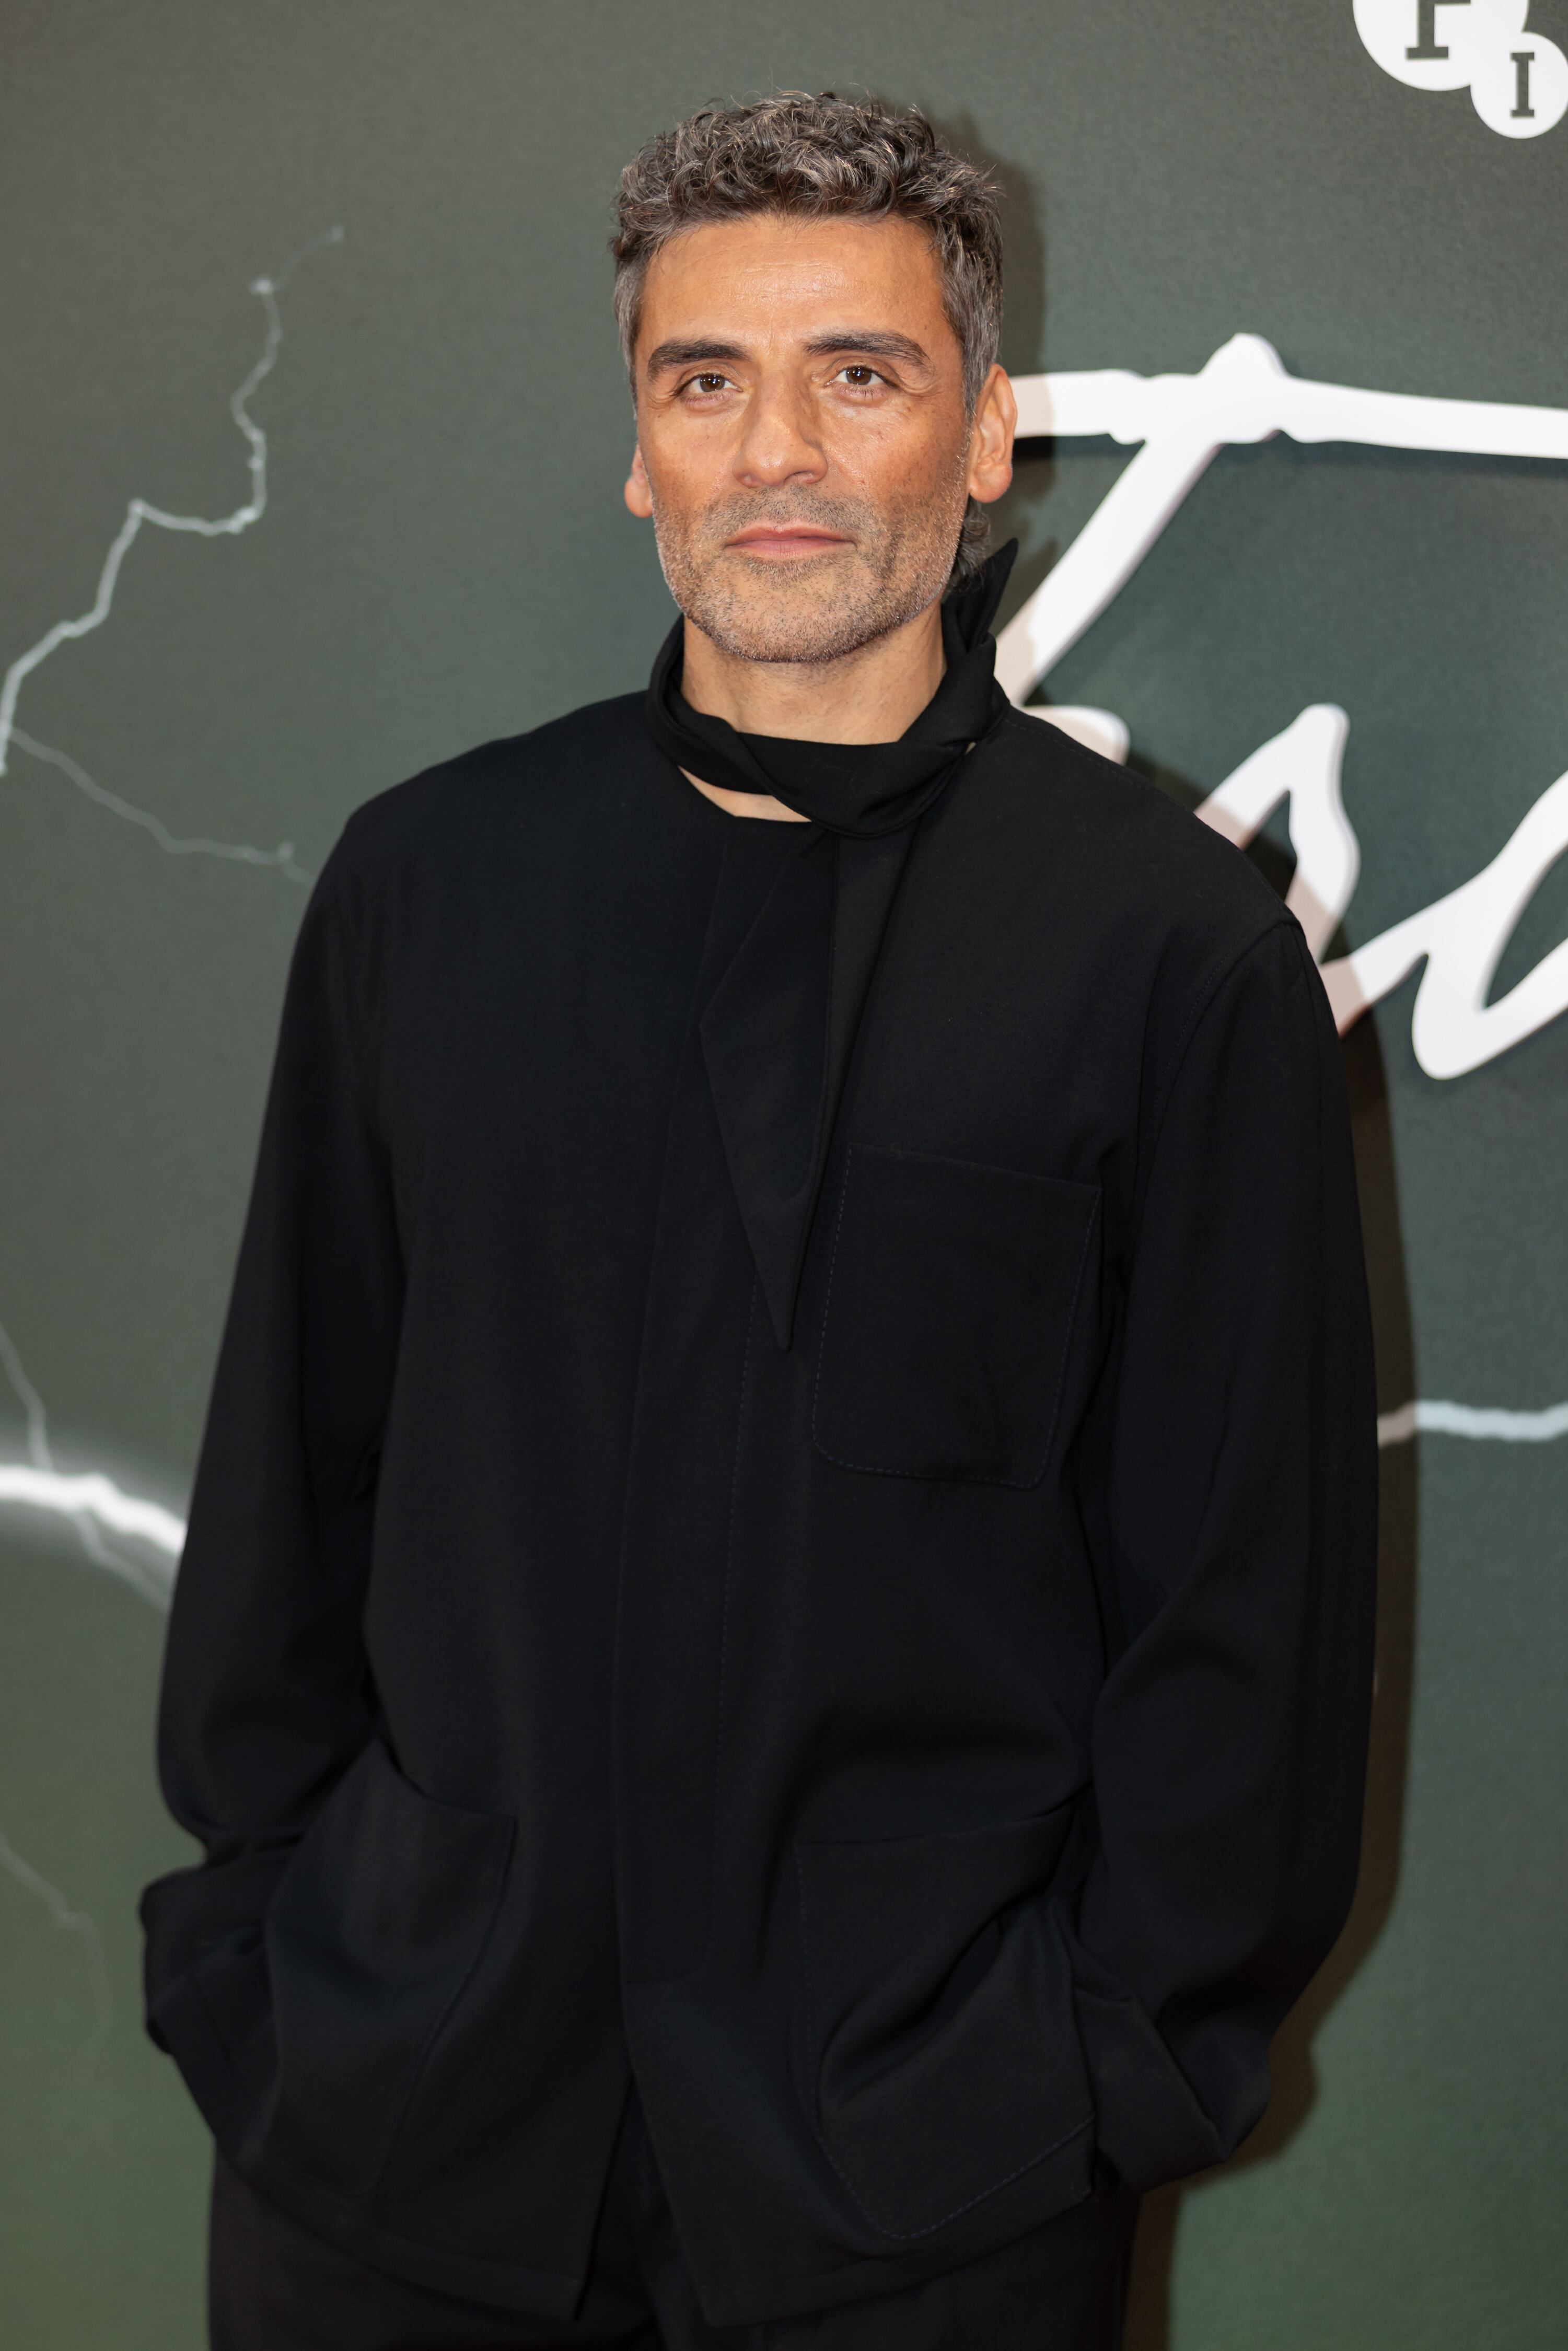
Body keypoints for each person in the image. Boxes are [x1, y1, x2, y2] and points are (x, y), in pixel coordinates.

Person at [141, 91, 1378, 2351]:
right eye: (704, 381)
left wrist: (1078, 2078)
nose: (775, 451)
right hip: (387, 2145)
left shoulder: (1171, 951)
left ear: (983, 431)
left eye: (862, 374)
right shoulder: (428, 884)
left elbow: (1245, 1610)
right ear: (639, 449)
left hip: (925, 2196)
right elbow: (287, 1485)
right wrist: (261, 1952)